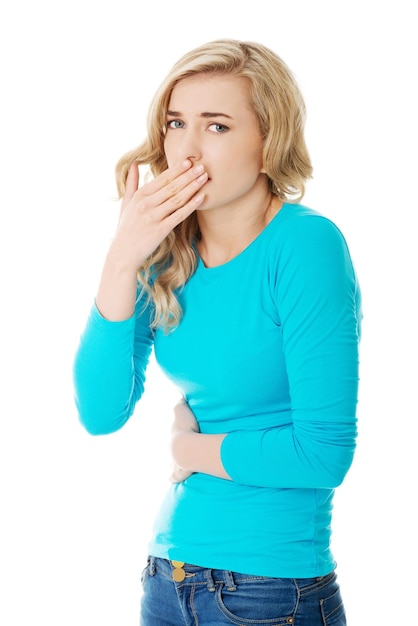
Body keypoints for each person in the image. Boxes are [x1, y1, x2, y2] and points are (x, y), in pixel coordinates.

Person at [73, 39, 362, 626]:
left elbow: (322, 455)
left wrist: (187, 448)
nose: (187, 149)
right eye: (176, 123)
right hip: (168, 575)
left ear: (268, 143)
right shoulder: (165, 255)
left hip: (269, 590)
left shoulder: (305, 246)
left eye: (218, 126)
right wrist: (120, 258)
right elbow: (100, 413)